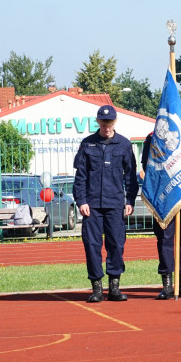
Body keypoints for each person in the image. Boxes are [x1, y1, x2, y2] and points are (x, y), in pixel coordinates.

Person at [72, 104, 138, 303]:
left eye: (109, 122)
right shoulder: (87, 144)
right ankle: (97, 289)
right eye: (103, 122)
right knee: (92, 245)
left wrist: (130, 200)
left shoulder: (124, 144)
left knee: (116, 244)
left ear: (114, 122)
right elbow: (80, 177)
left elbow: (131, 176)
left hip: (115, 203)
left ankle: (114, 287)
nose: (106, 126)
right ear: (98, 122)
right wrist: (81, 201)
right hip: (91, 205)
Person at [141, 130, 181, 299]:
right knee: (164, 239)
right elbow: (147, 166)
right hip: (164, 198)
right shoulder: (152, 138)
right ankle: (167, 285)